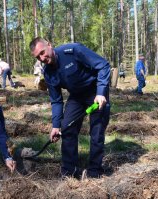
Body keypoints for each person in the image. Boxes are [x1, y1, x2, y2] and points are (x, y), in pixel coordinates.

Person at [29, 37, 110, 179]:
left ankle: (94, 171)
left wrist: (101, 92)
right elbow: (56, 101)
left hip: (95, 91)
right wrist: (55, 126)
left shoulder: (73, 51)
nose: (42, 58)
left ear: (49, 44)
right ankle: (69, 172)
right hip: (76, 97)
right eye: (38, 57)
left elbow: (103, 65)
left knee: (96, 132)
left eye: (42, 52)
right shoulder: (48, 72)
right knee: (66, 128)